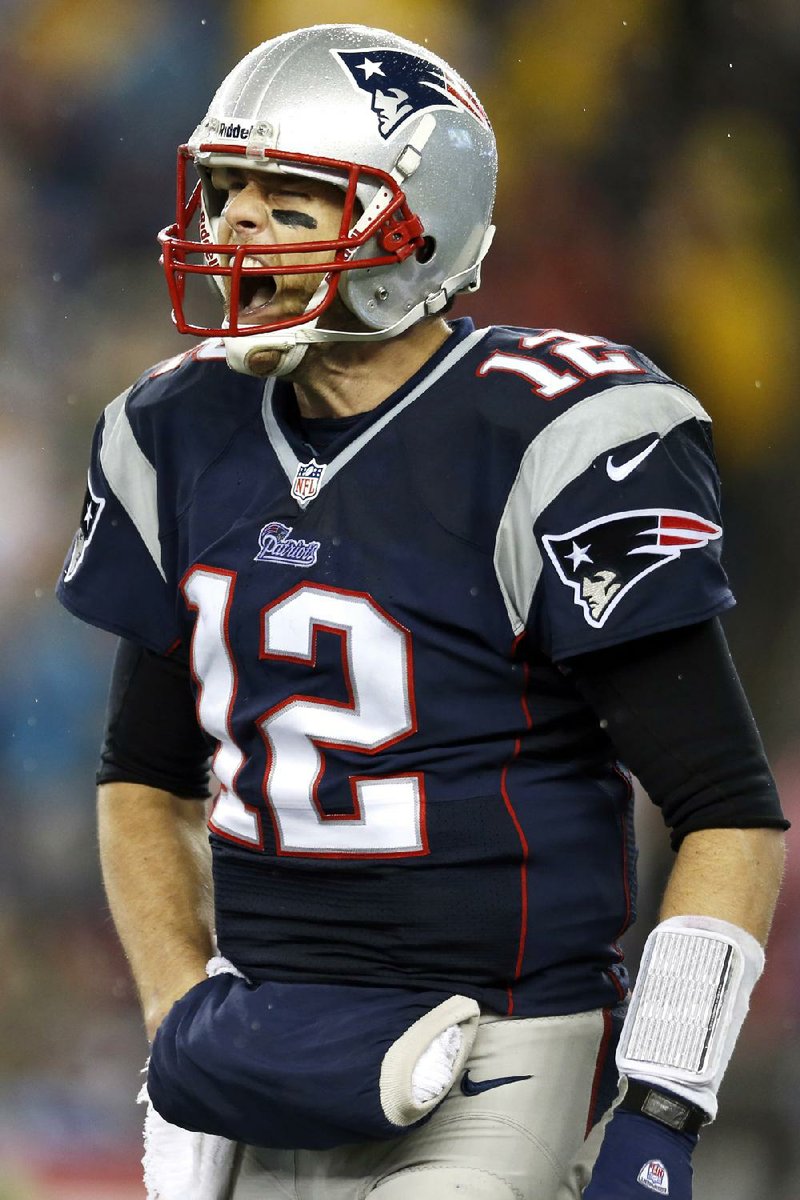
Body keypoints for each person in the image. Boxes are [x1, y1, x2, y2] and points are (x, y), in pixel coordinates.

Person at [57, 22, 788, 1200]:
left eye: (289, 199)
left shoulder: (544, 433)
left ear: (417, 229)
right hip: (261, 1051)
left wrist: (660, 1103)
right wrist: (177, 1020)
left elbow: (724, 811)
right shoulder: (170, 430)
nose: (236, 223)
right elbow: (144, 776)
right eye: (226, 187)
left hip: (498, 1053)